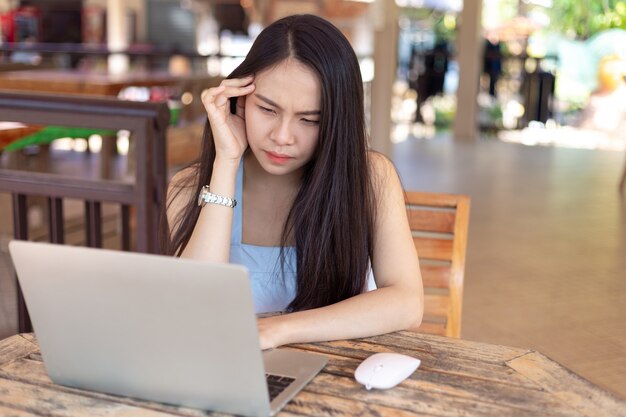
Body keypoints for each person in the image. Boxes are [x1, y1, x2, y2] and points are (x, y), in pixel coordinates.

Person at [162, 14, 424, 350]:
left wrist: (275, 331)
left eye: (309, 120)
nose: (282, 137)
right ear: (239, 99)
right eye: (268, 110)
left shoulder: (371, 178)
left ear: (336, 121)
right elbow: (189, 305)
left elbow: (407, 302)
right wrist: (226, 164)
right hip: (223, 374)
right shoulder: (188, 188)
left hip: (334, 375)